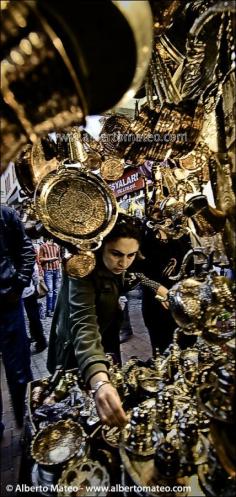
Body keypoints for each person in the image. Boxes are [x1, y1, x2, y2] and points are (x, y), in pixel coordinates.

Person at [47, 214, 168, 427]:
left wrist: (156, 287)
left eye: (131, 255)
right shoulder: (81, 269)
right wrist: (100, 381)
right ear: (101, 246)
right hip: (78, 353)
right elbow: (84, 325)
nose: (123, 263)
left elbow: (131, 277)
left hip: (107, 342)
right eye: (116, 254)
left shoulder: (120, 266)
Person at [0, 205, 35, 433]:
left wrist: (18, 285)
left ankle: (28, 421)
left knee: (20, 370)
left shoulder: (5, 214)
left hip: (7, 305)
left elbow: (26, 251)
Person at [22, 262, 47, 353]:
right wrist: (35, 284)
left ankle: (34, 340)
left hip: (22, 291)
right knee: (34, 317)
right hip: (28, 290)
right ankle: (39, 340)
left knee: (30, 318)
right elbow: (34, 270)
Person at [39, 238, 61, 317]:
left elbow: (59, 258)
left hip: (57, 270)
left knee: (55, 291)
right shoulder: (43, 246)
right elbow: (40, 259)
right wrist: (51, 259)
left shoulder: (56, 246)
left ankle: (53, 310)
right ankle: (48, 310)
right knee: (50, 291)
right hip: (48, 271)